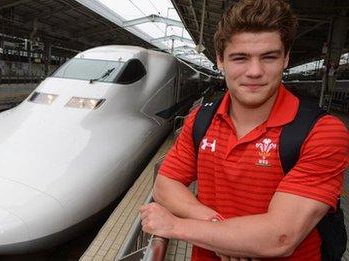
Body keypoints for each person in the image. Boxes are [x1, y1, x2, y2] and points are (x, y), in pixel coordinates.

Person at [140, 0, 349, 260]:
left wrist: (175, 226)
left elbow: (279, 237)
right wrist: (219, 230)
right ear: (220, 60)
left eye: (269, 57)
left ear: (286, 59)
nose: (255, 71)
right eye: (240, 58)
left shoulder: (322, 131)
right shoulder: (200, 120)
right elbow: (164, 185)